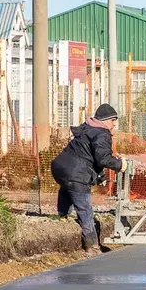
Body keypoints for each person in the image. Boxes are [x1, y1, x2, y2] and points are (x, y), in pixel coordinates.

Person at [50, 104, 128, 250]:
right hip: (76, 173)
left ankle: (62, 216)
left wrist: (100, 175)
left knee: (67, 187)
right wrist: (119, 165)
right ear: (105, 120)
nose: (114, 125)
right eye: (113, 121)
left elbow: (88, 156)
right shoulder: (102, 133)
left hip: (59, 167)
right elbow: (103, 159)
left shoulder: (87, 128)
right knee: (85, 210)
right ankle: (92, 246)